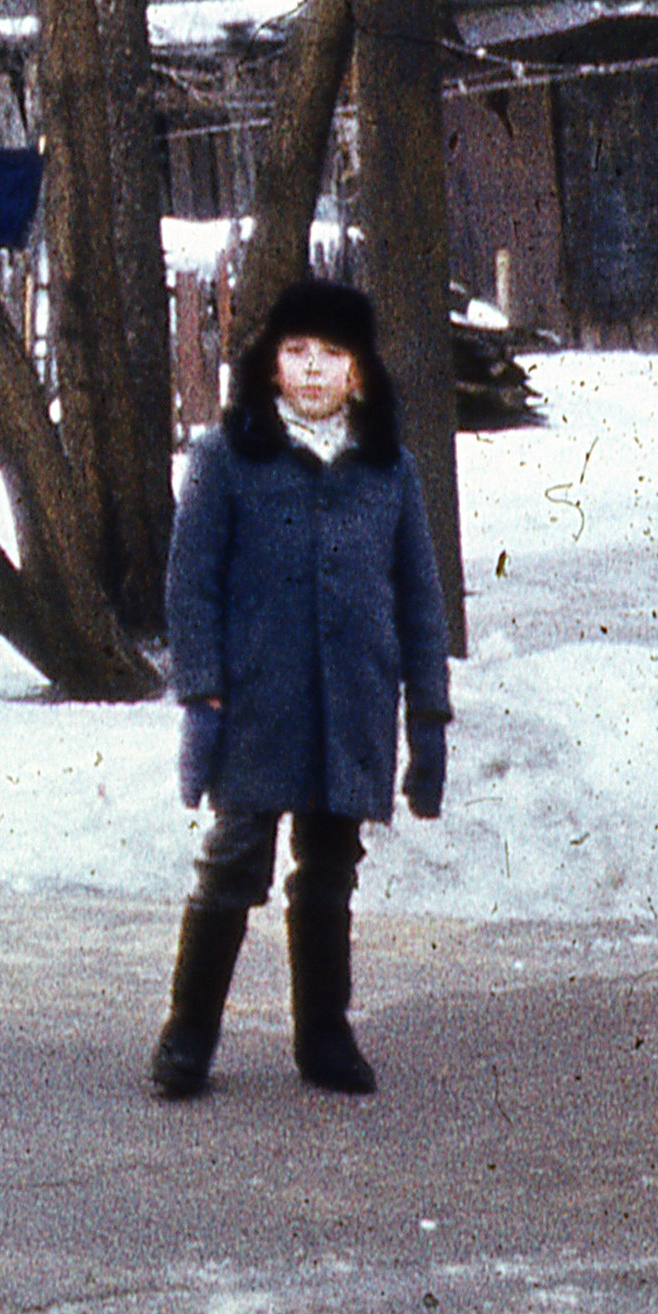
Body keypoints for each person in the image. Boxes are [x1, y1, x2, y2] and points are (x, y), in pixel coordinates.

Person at [149, 275, 452, 1099]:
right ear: (271, 363)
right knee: (234, 859)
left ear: (359, 372)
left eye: (332, 354)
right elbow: (190, 588)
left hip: (351, 705)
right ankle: (187, 1034)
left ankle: (324, 1035)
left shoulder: (389, 469)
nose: (312, 370)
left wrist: (428, 715)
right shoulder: (225, 459)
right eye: (296, 352)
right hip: (254, 705)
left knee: (329, 865)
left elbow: (421, 600)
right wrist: (203, 693)